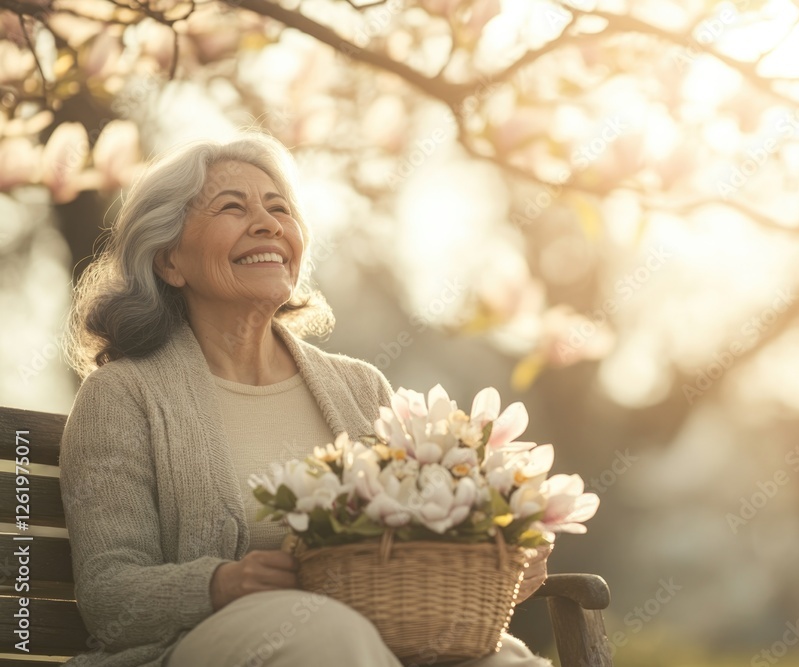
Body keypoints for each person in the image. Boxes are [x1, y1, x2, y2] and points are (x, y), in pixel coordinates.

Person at [59, 131, 552, 667]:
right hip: (193, 649)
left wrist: (479, 558)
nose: (269, 223)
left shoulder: (362, 389)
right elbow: (110, 598)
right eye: (231, 206)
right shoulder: (122, 396)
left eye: (280, 208)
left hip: (377, 641)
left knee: (505, 659)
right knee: (326, 635)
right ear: (169, 261)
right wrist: (224, 582)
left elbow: (404, 542)